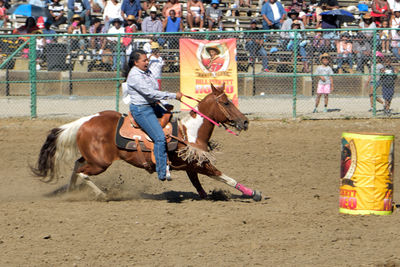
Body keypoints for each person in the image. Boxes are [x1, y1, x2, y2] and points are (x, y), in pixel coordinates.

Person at [124, 49, 182, 181]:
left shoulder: (147, 72)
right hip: (142, 110)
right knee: (160, 138)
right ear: (135, 62)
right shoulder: (134, 76)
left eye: (147, 59)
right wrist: (174, 95)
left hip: (153, 105)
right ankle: (162, 171)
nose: (147, 62)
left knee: (174, 122)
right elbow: (150, 93)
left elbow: (155, 91)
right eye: (144, 60)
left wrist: (164, 103)